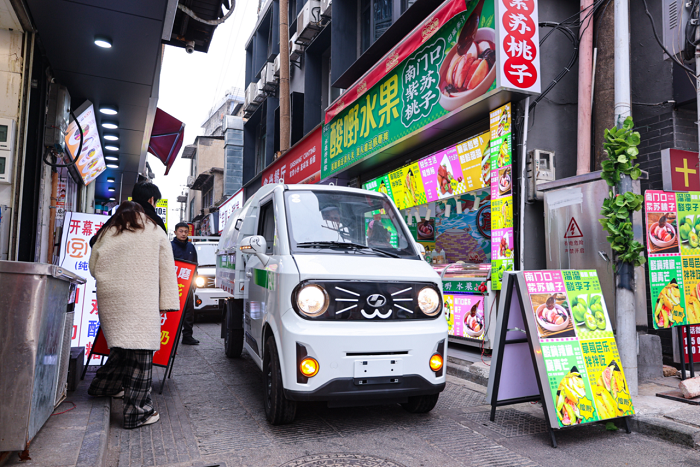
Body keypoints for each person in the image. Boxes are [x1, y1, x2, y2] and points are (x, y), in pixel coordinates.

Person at [87, 201, 179, 429]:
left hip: (111, 297)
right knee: (140, 351)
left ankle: (104, 387)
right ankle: (137, 413)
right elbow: (167, 269)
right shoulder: (154, 230)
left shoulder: (108, 231)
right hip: (141, 298)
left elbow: (93, 267)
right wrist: (168, 302)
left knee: (121, 346)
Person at [90, 181, 166, 247]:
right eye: (156, 203)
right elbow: (165, 249)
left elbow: (94, 242)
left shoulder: (118, 217)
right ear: (151, 200)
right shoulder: (156, 221)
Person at [172, 222, 199, 345]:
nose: (183, 234)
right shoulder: (170, 246)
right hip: (173, 286)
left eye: (185, 232)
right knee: (173, 312)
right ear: (175, 232)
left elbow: (195, 264)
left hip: (188, 285)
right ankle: (171, 338)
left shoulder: (191, 247)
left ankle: (187, 336)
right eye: (181, 231)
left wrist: (195, 280)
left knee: (189, 312)